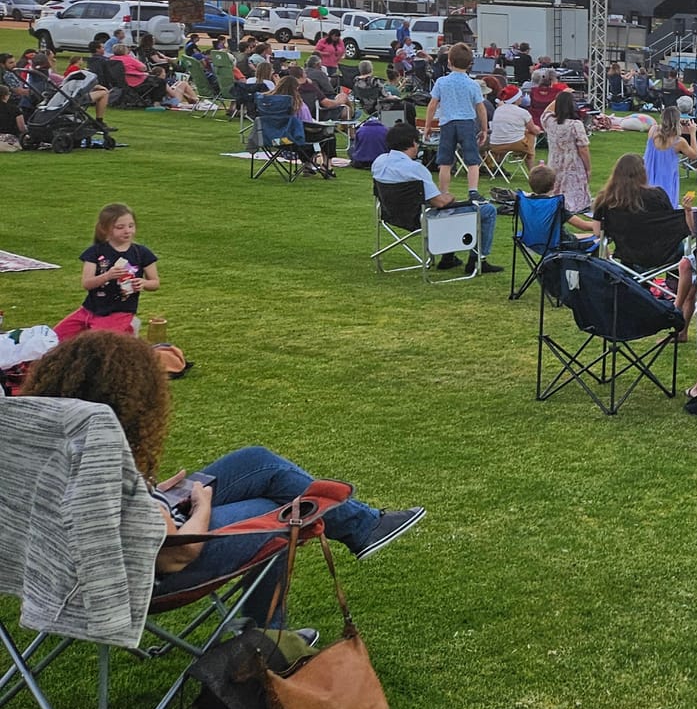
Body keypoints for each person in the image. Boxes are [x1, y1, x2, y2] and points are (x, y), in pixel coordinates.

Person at [23, 331, 423, 632]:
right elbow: (177, 554)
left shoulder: (43, 446)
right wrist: (200, 506)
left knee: (255, 462)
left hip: (54, 576)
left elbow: (109, 511)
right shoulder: (109, 461)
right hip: (127, 583)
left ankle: (363, 526)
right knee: (278, 515)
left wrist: (156, 493)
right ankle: (264, 644)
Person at [371, 122, 500, 273]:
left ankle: (448, 257)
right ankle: (478, 260)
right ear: (413, 142)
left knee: (449, 210)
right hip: (420, 218)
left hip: (391, 215)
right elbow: (439, 202)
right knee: (486, 209)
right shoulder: (415, 169)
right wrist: (449, 197)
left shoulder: (379, 162)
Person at [55, 203, 160, 343]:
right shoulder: (95, 252)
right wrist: (107, 276)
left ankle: (127, 330)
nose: (127, 231)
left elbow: (155, 283)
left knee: (98, 343)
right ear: (105, 229)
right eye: (120, 227)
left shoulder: (142, 253)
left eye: (131, 226)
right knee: (54, 338)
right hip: (89, 310)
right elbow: (87, 283)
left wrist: (143, 283)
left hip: (120, 312)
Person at [580, 153, 688, 274]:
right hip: (664, 253)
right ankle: (675, 283)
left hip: (628, 254)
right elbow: (670, 224)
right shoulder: (657, 195)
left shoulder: (606, 200)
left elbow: (597, 231)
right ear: (642, 172)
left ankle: (634, 282)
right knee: (679, 244)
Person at [426, 44, 489, 196]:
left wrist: (428, 125)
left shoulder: (441, 82)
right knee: (472, 160)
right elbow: (481, 108)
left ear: (449, 61)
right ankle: (473, 190)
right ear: (469, 64)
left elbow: (432, 105)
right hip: (467, 123)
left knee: (445, 161)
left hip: (447, 123)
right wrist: (484, 129)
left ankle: (444, 192)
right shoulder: (473, 84)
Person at [543, 91, 593, 215]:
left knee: (556, 186)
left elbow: (546, 112)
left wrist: (559, 98)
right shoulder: (575, 125)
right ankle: (576, 205)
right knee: (573, 185)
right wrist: (588, 168)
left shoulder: (549, 122)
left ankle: (557, 204)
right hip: (572, 161)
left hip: (554, 160)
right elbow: (583, 148)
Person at [645, 110, 697, 209]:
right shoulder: (678, 142)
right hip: (667, 177)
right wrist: (692, 133)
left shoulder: (653, 130)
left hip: (649, 175)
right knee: (667, 206)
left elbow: (664, 132)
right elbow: (694, 155)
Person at [487, 84, 540, 170]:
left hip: (495, 145)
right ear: (516, 99)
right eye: (520, 96)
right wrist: (539, 129)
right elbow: (533, 129)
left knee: (506, 133)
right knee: (531, 135)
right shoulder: (523, 112)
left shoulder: (498, 110)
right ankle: (532, 169)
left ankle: (498, 167)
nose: (522, 98)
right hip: (514, 144)